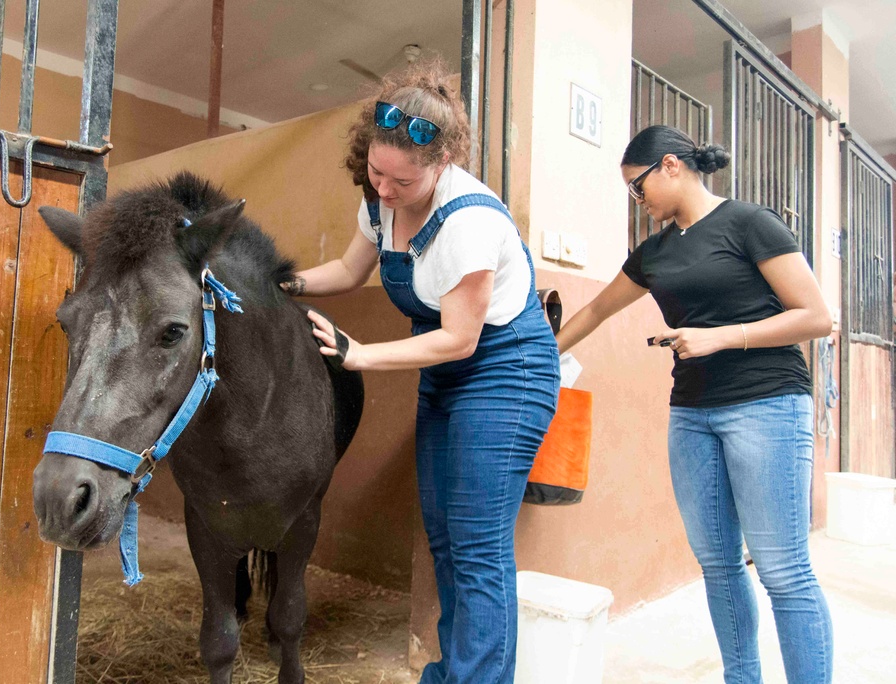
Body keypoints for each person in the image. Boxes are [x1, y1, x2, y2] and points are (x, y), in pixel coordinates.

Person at [280, 61, 559, 683]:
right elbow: (350, 273)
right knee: (445, 536)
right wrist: (286, 282)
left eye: (401, 181)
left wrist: (360, 355)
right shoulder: (379, 205)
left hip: (505, 373)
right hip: (447, 376)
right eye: (376, 171)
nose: (384, 189)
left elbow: (460, 339)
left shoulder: (468, 222)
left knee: (480, 547)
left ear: (443, 164)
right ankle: (455, 673)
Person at [556, 124, 834, 683]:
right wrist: (534, 359)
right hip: (692, 414)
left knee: (783, 570)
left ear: (671, 165)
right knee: (719, 567)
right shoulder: (654, 253)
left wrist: (720, 336)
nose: (637, 200)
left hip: (768, 405)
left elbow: (816, 317)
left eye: (638, 187)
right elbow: (595, 312)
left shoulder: (749, 223)